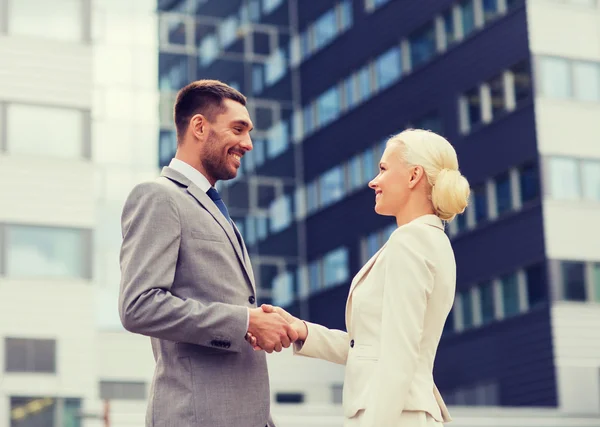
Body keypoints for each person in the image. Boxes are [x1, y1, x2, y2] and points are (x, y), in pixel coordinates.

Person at [248, 129, 470, 426]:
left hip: (394, 416)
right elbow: (371, 347)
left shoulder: (410, 242)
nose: (373, 181)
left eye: (383, 169)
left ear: (414, 176)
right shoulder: (430, 240)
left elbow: (398, 356)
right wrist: (302, 330)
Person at [118, 79, 298, 427]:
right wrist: (245, 321)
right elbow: (138, 306)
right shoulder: (158, 197)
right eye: (238, 129)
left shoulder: (213, 208)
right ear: (199, 126)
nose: (247, 143)